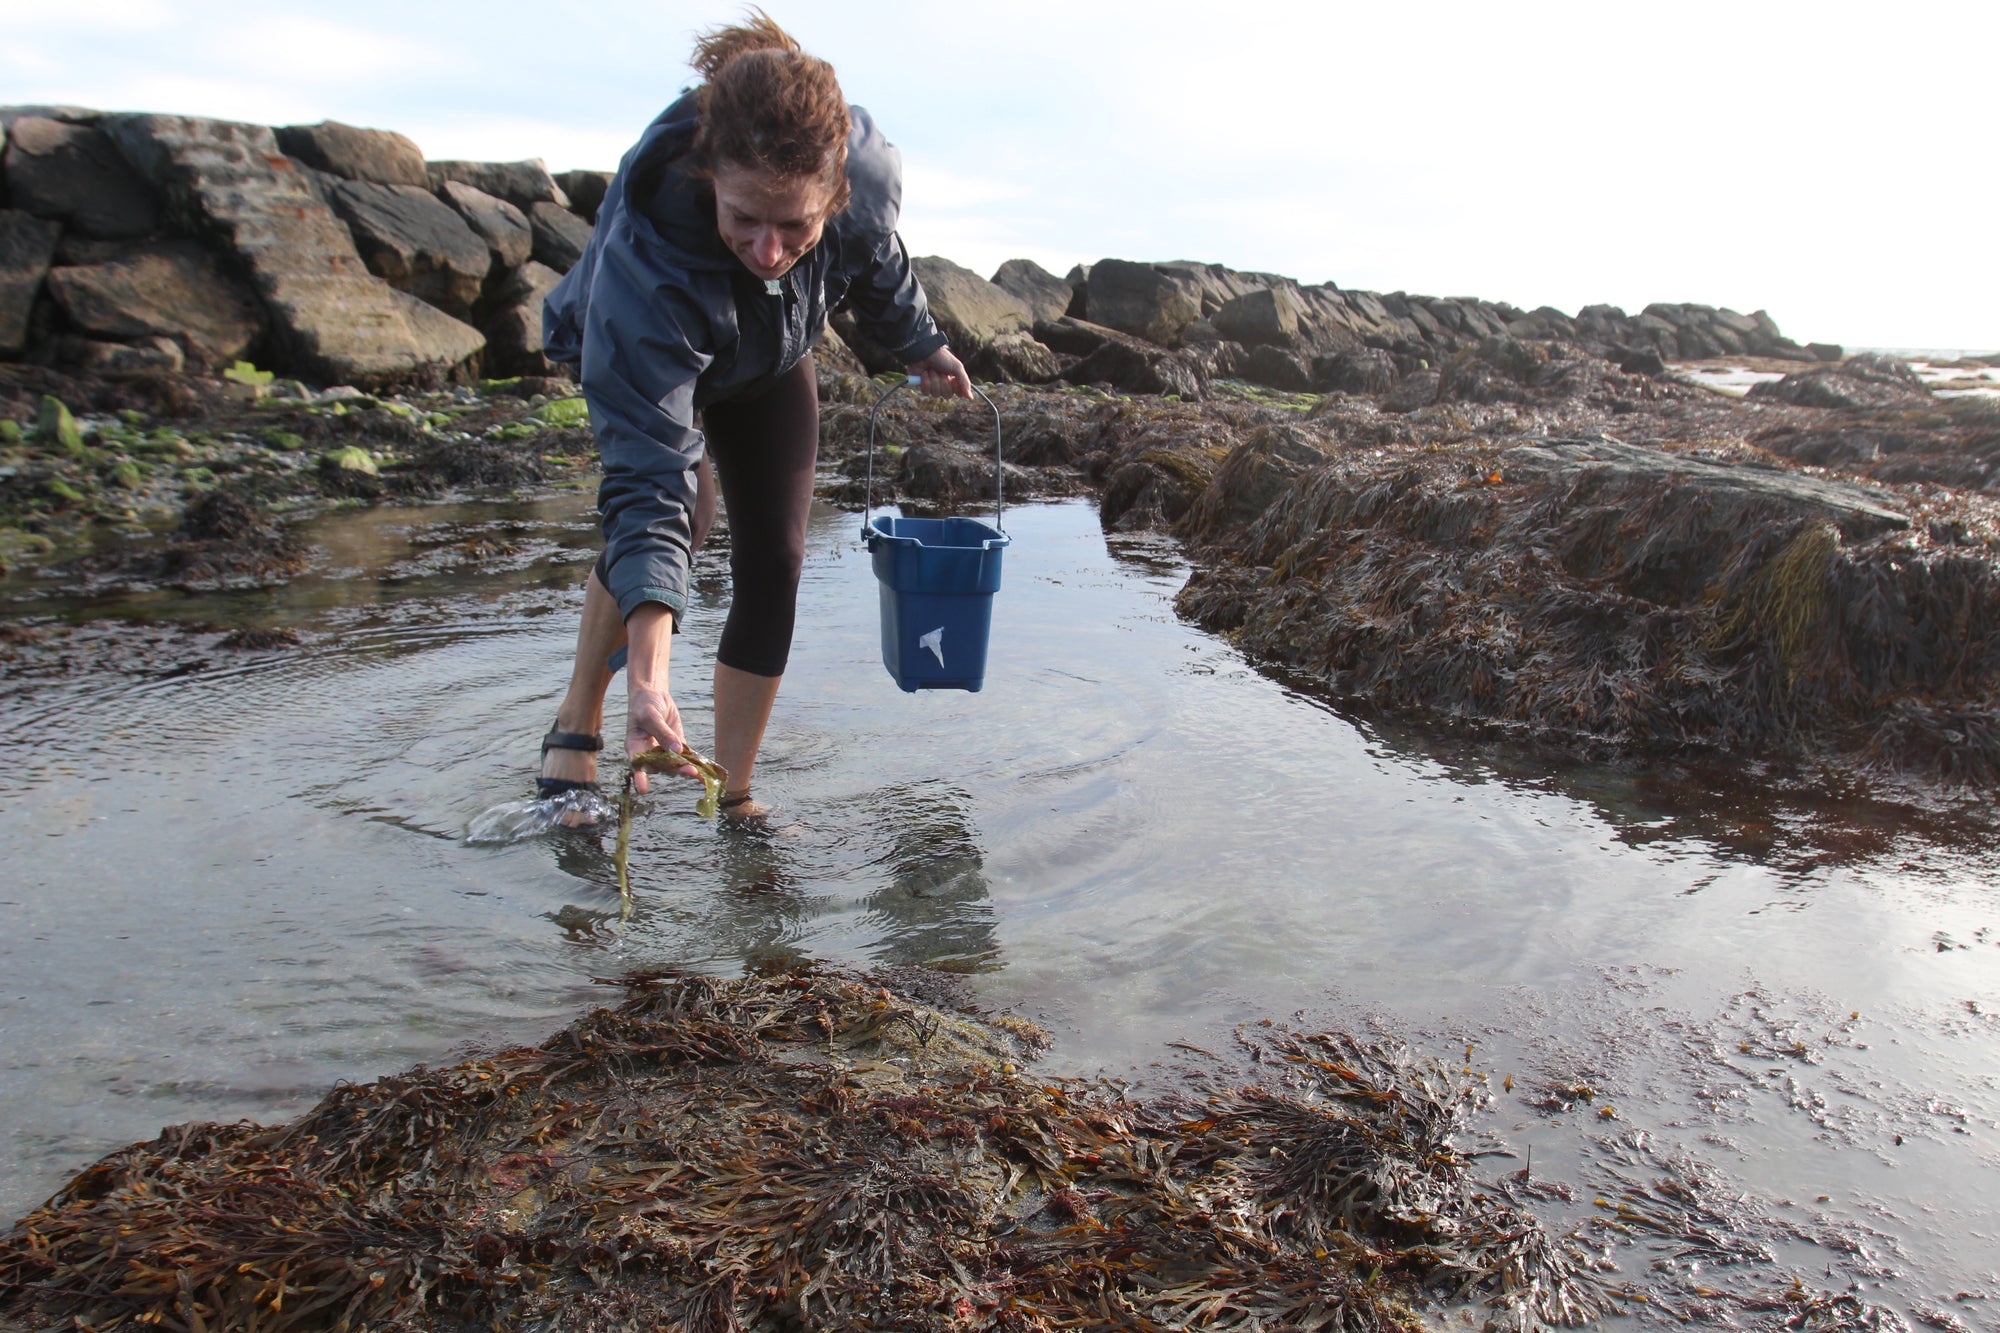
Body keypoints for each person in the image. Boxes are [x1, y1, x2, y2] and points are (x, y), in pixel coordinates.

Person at [535, 11, 971, 821]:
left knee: (778, 558)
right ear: (709, 177)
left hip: (768, 355)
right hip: (659, 347)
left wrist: (921, 343)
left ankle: (729, 791)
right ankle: (578, 720)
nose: (769, 250)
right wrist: (650, 679)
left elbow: (876, 261)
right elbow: (647, 483)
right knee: (683, 515)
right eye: (743, 218)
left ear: (835, 193)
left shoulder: (861, 189)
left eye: (795, 226)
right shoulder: (651, 256)